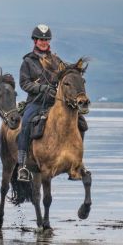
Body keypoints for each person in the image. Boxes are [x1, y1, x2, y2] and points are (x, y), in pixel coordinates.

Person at [16, 24, 88, 182]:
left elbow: (65, 76)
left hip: (56, 102)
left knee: (81, 123)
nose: (43, 42)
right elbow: (24, 83)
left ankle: (77, 161)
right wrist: (41, 88)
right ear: (35, 41)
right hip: (35, 102)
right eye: (41, 39)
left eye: (46, 39)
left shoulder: (56, 60)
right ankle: (22, 165)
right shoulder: (27, 61)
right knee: (26, 123)